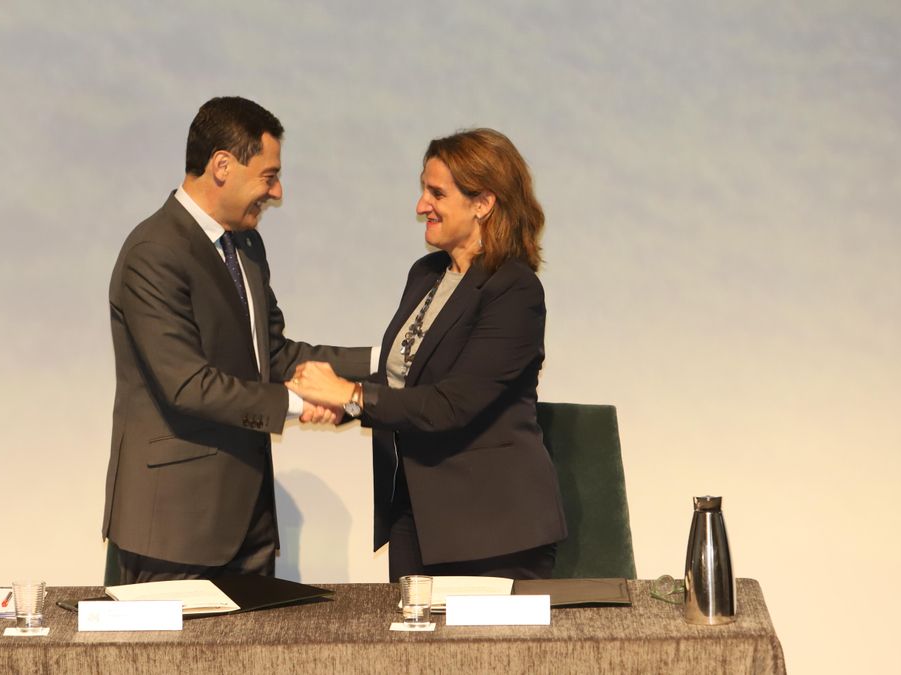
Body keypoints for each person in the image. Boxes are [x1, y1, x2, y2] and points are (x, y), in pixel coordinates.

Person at [103, 96, 373, 584]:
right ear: (222, 166)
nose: (277, 192)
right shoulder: (153, 252)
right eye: (269, 176)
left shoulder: (245, 245)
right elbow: (187, 386)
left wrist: (386, 359)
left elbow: (272, 355)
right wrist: (298, 402)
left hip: (248, 526)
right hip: (173, 529)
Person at [288, 128, 567, 581]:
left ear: (483, 203)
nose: (421, 205)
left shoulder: (514, 290)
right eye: (423, 189)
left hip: (492, 531)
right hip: (417, 518)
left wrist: (352, 393)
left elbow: (451, 405)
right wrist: (344, 406)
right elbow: (405, 384)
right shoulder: (426, 275)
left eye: (436, 193)